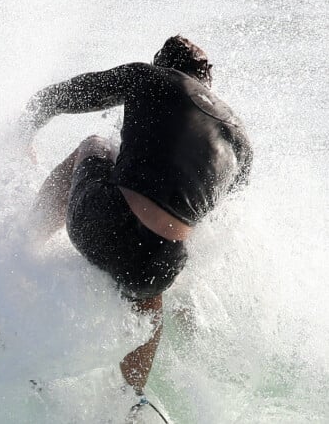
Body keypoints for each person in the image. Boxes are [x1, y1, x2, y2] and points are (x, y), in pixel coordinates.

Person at [19, 35, 253, 409]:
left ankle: (18, 251)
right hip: (159, 264)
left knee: (94, 144)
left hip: (104, 225)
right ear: (208, 80)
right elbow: (219, 206)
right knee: (152, 288)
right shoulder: (240, 139)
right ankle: (129, 401)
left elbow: (57, 98)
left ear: (161, 63)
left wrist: (23, 131)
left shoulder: (150, 78)